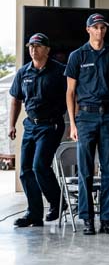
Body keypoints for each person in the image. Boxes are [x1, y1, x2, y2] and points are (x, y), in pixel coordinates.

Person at [64, 13, 109, 235]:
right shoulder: (77, 56)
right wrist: (72, 123)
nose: (99, 31)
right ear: (88, 29)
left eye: (102, 27)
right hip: (85, 118)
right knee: (86, 171)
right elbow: (70, 92)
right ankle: (87, 219)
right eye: (95, 27)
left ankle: (108, 219)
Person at [8, 33, 67, 227]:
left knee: (39, 166)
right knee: (25, 169)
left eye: (38, 46)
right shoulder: (23, 72)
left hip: (51, 125)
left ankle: (57, 203)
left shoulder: (60, 72)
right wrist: (11, 125)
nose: (33, 49)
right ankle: (34, 213)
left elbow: (71, 96)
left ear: (47, 50)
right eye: (31, 46)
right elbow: (16, 100)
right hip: (30, 125)